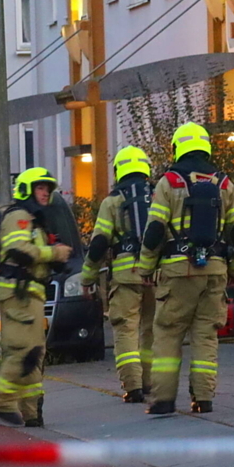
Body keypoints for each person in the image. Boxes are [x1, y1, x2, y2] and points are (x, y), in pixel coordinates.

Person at [137, 122, 234, 415]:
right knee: (205, 336)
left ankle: (163, 400)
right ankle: (204, 399)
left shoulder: (168, 183)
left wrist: (145, 268)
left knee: (168, 334)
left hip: (177, 272)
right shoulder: (225, 184)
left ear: (177, 147)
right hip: (215, 271)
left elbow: (155, 231)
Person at [0, 168, 73, 427]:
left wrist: (54, 256)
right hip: (18, 294)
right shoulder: (20, 217)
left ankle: (32, 413)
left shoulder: (34, 220)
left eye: (48, 189)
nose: (45, 193)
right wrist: (53, 254)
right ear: (27, 190)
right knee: (24, 351)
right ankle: (0, 402)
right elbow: (18, 249)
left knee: (35, 353)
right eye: (40, 188)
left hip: (29, 294)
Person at [81, 146, 155, 403]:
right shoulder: (158, 196)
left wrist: (87, 278)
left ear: (118, 171)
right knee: (152, 330)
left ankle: (132, 387)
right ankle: (150, 382)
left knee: (125, 331)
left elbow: (100, 243)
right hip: (157, 275)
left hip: (126, 277)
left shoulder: (112, 202)